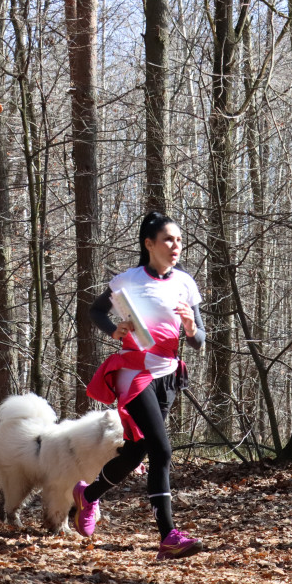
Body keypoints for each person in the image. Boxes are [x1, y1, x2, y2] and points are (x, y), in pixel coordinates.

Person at [80, 212, 207, 560]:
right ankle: (168, 536)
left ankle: (87, 496)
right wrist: (114, 330)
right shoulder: (127, 280)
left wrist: (191, 328)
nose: (176, 246)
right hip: (134, 373)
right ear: (148, 244)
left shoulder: (185, 283)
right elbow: (96, 312)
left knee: (136, 451)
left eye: (179, 240)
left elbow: (200, 341)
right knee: (162, 451)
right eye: (168, 239)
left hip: (167, 375)